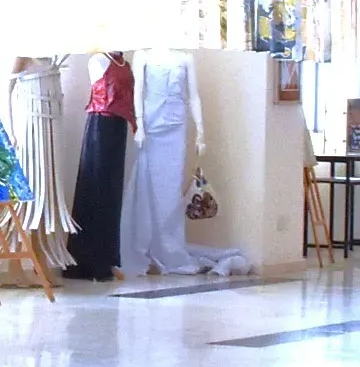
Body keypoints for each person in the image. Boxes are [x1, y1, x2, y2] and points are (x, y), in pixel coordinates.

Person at [118, 52, 251, 277]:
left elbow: (194, 97)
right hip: (151, 127)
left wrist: (201, 132)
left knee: (170, 191)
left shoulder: (186, 58)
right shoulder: (143, 56)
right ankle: (144, 247)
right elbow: (138, 91)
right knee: (146, 187)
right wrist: (139, 125)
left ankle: (170, 250)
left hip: (176, 127)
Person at [65, 51, 132, 280]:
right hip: (100, 125)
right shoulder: (98, 60)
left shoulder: (124, 62)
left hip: (118, 127)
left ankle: (108, 259)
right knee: (95, 188)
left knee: (112, 193)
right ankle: (87, 261)